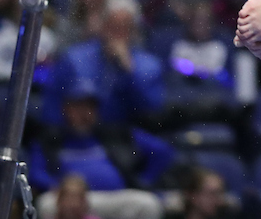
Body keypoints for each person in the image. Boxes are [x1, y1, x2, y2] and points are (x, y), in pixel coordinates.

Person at [30, 82, 172, 219]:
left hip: (114, 198)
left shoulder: (117, 134)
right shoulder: (50, 139)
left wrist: (144, 180)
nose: (84, 113)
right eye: (78, 107)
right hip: (70, 198)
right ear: (65, 109)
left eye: (89, 107)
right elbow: (36, 173)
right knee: (47, 204)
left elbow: (162, 151)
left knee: (148, 204)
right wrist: (55, 185)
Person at [46, 0, 165, 126]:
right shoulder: (74, 59)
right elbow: (52, 104)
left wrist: (129, 72)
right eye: (112, 26)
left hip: (127, 134)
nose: (117, 34)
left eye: (124, 27)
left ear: (133, 31)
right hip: (78, 133)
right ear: (102, 26)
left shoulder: (149, 67)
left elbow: (152, 114)